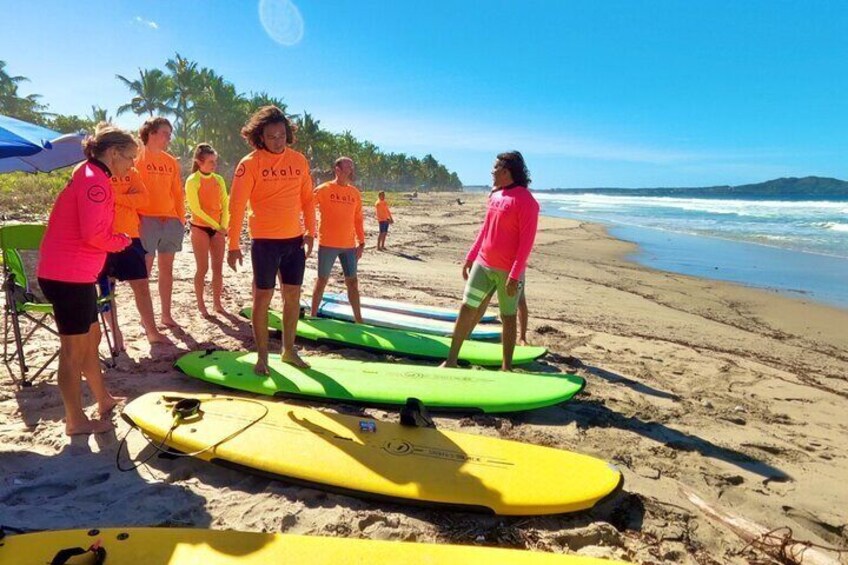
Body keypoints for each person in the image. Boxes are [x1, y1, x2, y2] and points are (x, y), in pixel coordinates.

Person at [36, 124, 136, 435]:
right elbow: (94, 234)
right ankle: (74, 420)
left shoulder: (91, 173)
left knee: (91, 339)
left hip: (74, 274)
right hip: (68, 277)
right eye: (130, 157)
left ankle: (103, 399)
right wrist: (121, 241)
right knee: (73, 350)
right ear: (114, 152)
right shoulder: (95, 180)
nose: (132, 165)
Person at [227, 106, 315, 373]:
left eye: (281, 135)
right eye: (272, 136)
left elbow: (308, 199)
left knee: (292, 296)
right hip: (264, 241)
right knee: (262, 298)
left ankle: (289, 351)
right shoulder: (249, 164)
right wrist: (233, 245)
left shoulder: (299, 160)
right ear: (260, 137)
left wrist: (311, 231)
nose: (278, 140)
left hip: (294, 241)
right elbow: (237, 206)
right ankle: (263, 357)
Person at [441, 151, 539, 371]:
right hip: (483, 264)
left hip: (508, 271)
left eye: (495, 168)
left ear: (506, 171)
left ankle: (506, 367)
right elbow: (485, 230)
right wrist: (471, 256)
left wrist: (515, 275)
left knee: (508, 317)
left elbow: (526, 243)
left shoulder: (526, 201)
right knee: (467, 307)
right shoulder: (495, 195)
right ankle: (451, 360)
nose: (491, 171)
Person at [97, 165, 171, 351]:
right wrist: (128, 197)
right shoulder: (97, 172)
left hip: (130, 236)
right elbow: (98, 200)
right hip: (103, 237)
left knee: (142, 286)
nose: (129, 159)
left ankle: (152, 332)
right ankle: (116, 335)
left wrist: (115, 197)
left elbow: (143, 199)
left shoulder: (132, 172)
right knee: (107, 290)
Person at [135, 117, 184, 328]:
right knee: (143, 273)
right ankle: (147, 319)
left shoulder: (171, 161)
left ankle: (166, 314)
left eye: (169, 133)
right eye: (165, 133)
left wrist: (180, 219)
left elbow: (177, 193)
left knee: (167, 271)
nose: (168, 138)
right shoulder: (136, 158)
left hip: (171, 220)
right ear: (151, 133)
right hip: (145, 220)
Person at [311, 157, 365, 322]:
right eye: (347, 167)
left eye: (352, 166)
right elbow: (306, 207)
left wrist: (361, 242)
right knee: (322, 281)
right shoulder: (324, 189)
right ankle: (313, 316)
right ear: (338, 169)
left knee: (353, 283)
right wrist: (309, 230)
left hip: (349, 246)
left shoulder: (354, 193)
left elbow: (358, 219)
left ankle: (358, 319)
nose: (351, 170)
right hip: (328, 244)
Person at [185, 143, 229, 317]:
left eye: (215, 161)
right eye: (210, 161)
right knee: (202, 268)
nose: (214, 165)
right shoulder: (192, 180)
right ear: (199, 161)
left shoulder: (218, 179)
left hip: (218, 229)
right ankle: (201, 304)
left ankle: (217, 304)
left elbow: (225, 204)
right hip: (200, 228)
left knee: (217, 268)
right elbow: (195, 209)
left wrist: (223, 226)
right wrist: (216, 225)